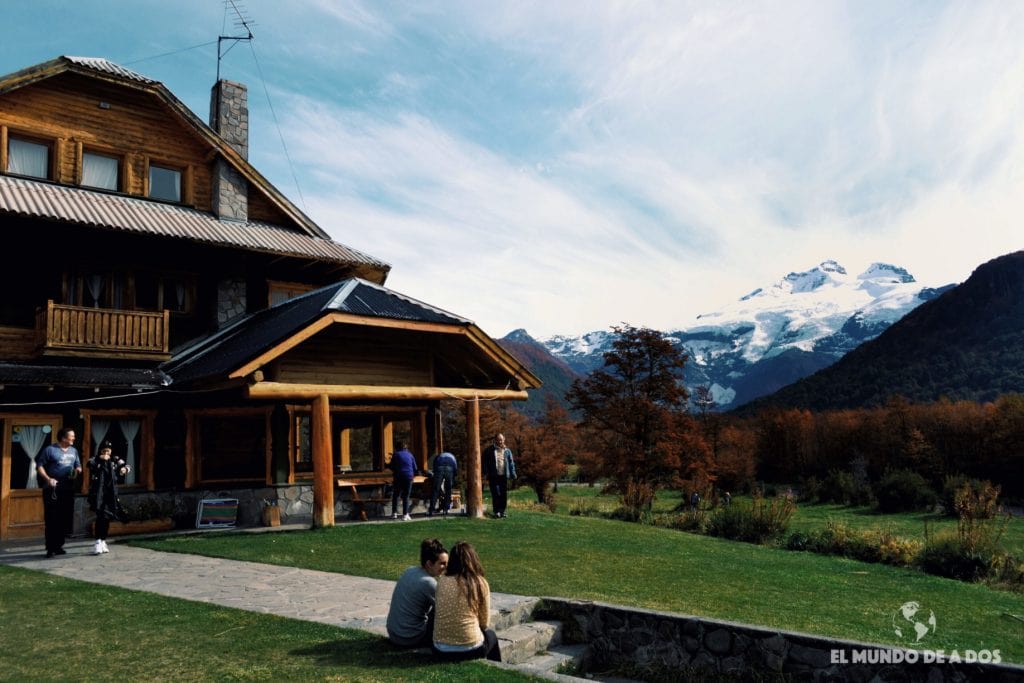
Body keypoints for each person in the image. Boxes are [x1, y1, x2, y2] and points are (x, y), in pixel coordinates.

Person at [432, 541, 502, 662]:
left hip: (440, 648)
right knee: (491, 636)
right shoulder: (480, 582)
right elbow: (484, 623)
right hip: (469, 649)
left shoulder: (442, 581)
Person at [386, 538, 449, 647]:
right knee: (443, 607)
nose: (446, 567)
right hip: (409, 638)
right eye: (442, 563)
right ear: (429, 563)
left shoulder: (410, 570)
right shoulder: (428, 582)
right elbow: (447, 611)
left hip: (393, 633)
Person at [35, 426, 82, 558]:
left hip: (67, 490)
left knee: (64, 518)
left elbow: (78, 466)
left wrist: (77, 471)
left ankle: (59, 546)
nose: (74, 438)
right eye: (71, 436)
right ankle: (50, 548)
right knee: (52, 519)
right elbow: (39, 466)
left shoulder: (74, 451)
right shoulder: (50, 450)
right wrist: (48, 479)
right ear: (63, 438)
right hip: (52, 490)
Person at [87, 441, 129, 555]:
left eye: (108, 450)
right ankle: (97, 541)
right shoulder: (95, 459)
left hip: (111, 493)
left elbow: (126, 465)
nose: (106, 452)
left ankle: (103, 540)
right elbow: (89, 464)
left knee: (107, 517)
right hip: (98, 494)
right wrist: (101, 459)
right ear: (100, 451)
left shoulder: (115, 459)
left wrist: (124, 469)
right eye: (104, 450)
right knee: (100, 516)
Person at [481, 433, 516, 518]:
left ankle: (502, 511)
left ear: (504, 440)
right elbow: (484, 461)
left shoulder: (507, 451)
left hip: (503, 475)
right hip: (493, 475)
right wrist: (485, 472)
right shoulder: (489, 450)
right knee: (495, 493)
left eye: (501, 439)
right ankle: (496, 511)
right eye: (498, 439)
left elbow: (511, 463)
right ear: (495, 440)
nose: (500, 441)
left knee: (503, 494)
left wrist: (513, 473)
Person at [389, 442, 417, 521]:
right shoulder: (410, 455)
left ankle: (394, 513)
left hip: (398, 477)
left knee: (396, 495)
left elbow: (392, 466)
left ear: (397, 447)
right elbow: (415, 467)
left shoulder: (396, 454)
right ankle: (405, 514)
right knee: (406, 496)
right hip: (409, 477)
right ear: (406, 448)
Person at [429, 451, 458, 516]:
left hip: (439, 468)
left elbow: (434, 466)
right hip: (449, 469)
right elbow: (455, 468)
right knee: (448, 489)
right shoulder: (452, 456)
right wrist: (453, 478)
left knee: (435, 489)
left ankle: (431, 510)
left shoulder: (439, 456)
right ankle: (446, 509)